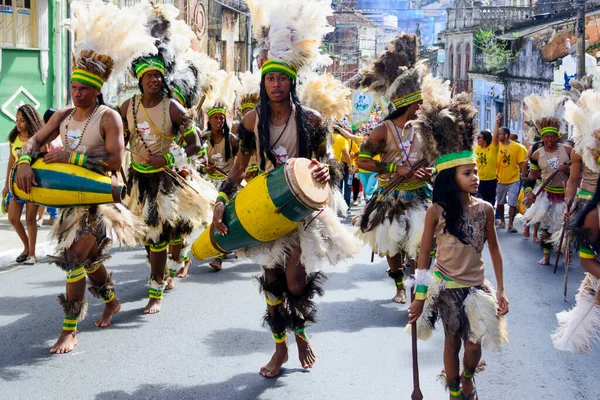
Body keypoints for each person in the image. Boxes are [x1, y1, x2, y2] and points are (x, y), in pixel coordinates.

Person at [214, 0, 360, 378]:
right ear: (263, 82)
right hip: (263, 207)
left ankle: (301, 335)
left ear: (291, 81)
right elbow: (238, 168)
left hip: (302, 210)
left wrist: (325, 173)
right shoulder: (251, 121)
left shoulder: (310, 120)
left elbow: (327, 164)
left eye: (281, 78)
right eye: (270, 79)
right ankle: (280, 349)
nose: (276, 84)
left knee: (296, 279)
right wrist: (221, 200)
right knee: (272, 280)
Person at [14, 0, 153, 353]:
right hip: (69, 200)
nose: (78, 93)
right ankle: (111, 300)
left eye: (84, 89)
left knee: (74, 259)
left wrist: (72, 155)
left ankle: (69, 329)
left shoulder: (109, 118)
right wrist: (26, 162)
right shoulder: (62, 114)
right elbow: (34, 139)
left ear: (96, 90)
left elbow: (114, 160)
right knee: (89, 262)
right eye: (75, 87)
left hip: (100, 202)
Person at [408, 76, 509, 400]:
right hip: (448, 288)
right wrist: (420, 296)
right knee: (452, 341)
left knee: (474, 343)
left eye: (476, 171)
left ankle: (468, 375)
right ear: (452, 178)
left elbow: (494, 249)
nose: (476, 177)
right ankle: (454, 391)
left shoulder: (486, 210)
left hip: (478, 287)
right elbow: (424, 255)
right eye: (468, 173)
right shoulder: (436, 212)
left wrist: (502, 290)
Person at [120, 3, 210, 313]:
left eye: (159, 75)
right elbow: (116, 141)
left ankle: (155, 293)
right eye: (149, 77)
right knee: (149, 237)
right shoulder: (127, 108)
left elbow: (195, 145)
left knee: (161, 234)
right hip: (137, 180)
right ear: (140, 80)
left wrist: (170, 161)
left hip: (167, 182)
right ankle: (162, 272)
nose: (154, 80)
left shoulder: (173, 107)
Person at [356, 34, 432, 304]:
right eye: (418, 104)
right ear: (407, 105)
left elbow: (433, 159)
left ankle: (417, 286)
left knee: (420, 243)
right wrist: (392, 167)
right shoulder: (381, 131)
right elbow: (361, 162)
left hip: (420, 194)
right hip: (390, 194)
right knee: (392, 243)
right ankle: (400, 285)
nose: (421, 107)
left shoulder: (424, 129)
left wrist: (429, 171)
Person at [198, 70, 241, 271]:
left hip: (226, 185)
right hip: (209, 184)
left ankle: (219, 257)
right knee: (211, 218)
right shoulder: (204, 138)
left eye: (222, 119)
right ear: (210, 120)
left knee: (221, 217)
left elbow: (243, 160)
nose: (219, 122)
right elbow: (197, 161)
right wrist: (205, 167)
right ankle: (222, 248)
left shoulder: (231, 140)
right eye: (215, 119)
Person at [523, 93, 571, 265]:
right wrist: (529, 192)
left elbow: (579, 172)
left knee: (564, 227)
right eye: (546, 137)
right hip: (546, 194)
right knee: (545, 227)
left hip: (565, 196)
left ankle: (565, 253)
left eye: (552, 136)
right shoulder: (537, 154)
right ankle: (547, 256)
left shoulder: (567, 150)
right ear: (541, 138)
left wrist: (569, 169)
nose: (550, 139)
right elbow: (531, 177)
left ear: (557, 137)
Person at [3, 104, 44, 265]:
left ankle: (32, 254)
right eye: (17, 120)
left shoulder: (39, 139)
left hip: (33, 184)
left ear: (30, 121)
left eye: (22, 121)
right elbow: (11, 161)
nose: (18, 124)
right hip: (16, 186)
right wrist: (6, 185)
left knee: (30, 219)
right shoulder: (13, 138)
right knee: (13, 218)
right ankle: (26, 247)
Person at [496, 125, 528, 232]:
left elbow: (523, 164)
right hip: (499, 179)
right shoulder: (496, 146)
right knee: (500, 202)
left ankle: (510, 224)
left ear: (506, 135)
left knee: (512, 202)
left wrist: (523, 177)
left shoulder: (518, 147)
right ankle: (502, 221)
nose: (497, 135)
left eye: (499, 133)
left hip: (514, 179)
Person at [475, 114, 500, 206]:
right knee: (478, 204)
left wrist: (496, 122)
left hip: (490, 181)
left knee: (489, 204)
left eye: (479, 138)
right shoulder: (476, 149)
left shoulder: (493, 148)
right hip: (478, 180)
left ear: (485, 139)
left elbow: (496, 137)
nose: (477, 139)